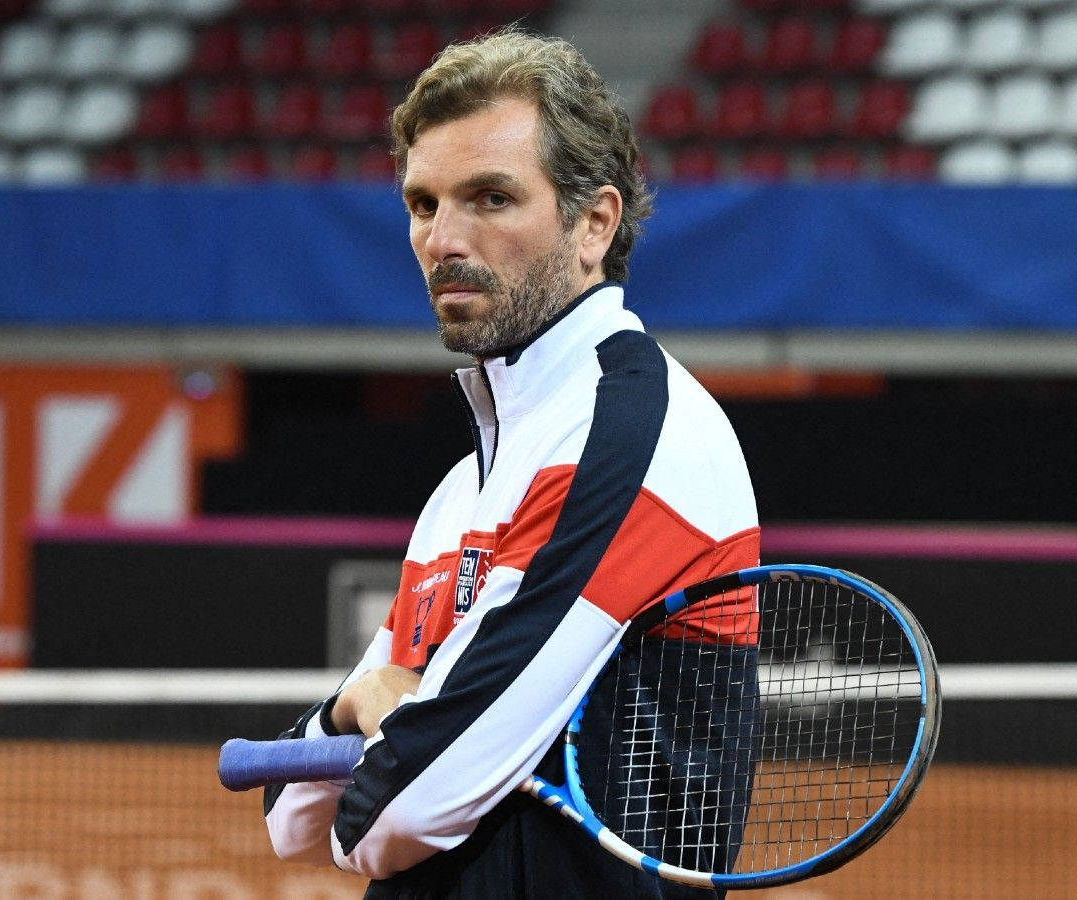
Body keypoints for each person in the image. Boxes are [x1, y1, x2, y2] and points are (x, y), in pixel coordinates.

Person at [263, 27, 760, 899]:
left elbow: (403, 806)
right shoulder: (465, 488)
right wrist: (355, 704)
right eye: (423, 204)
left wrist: (375, 757)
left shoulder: (635, 433)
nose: (443, 239)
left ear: (593, 224)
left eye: (490, 198)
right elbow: (287, 815)